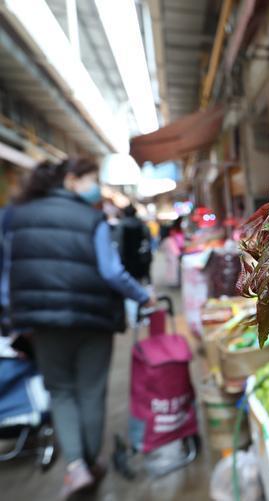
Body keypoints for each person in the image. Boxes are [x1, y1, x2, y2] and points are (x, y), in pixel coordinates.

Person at [1, 158, 154, 499]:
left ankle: (75, 467)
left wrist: (12, 317)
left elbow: (7, 273)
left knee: (61, 390)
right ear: (71, 180)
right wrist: (143, 296)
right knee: (91, 389)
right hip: (94, 317)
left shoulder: (16, 216)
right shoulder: (92, 218)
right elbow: (112, 272)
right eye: (91, 179)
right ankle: (89, 462)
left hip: (43, 321)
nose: (95, 187)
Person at [116, 204, 152, 283]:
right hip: (140, 259)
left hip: (126, 260)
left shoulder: (120, 226)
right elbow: (148, 242)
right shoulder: (142, 226)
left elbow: (119, 245)